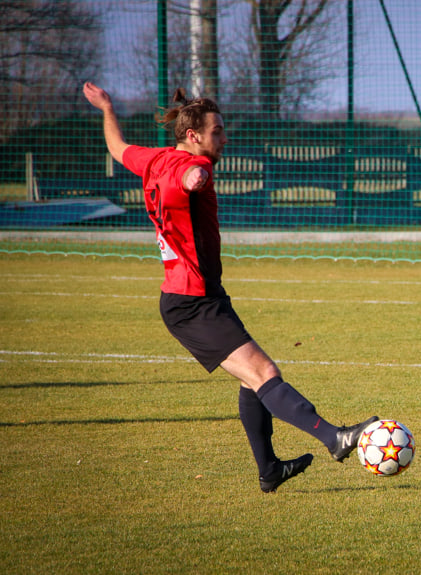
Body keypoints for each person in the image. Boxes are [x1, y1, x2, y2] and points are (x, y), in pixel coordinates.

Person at [83, 82, 377, 493]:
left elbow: (117, 147)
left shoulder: (153, 159)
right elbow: (186, 179)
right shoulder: (190, 169)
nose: (224, 137)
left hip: (199, 298)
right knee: (265, 373)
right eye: (217, 130)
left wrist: (106, 107)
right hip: (192, 303)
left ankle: (270, 470)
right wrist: (193, 179)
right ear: (193, 135)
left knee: (251, 382)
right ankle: (336, 438)